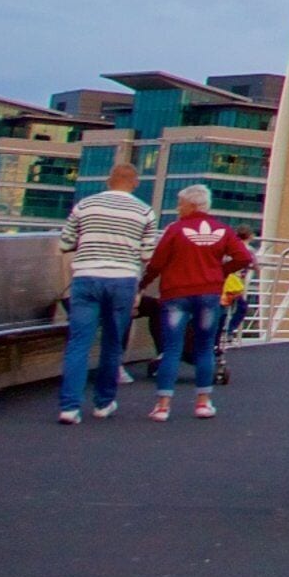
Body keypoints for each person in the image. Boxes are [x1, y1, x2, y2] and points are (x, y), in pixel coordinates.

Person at [55, 159, 159, 423]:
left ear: (108, 180)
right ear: (135, 183)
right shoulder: (144, 211)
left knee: (79, 342)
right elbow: (147, 253)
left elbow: (65, 242)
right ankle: (104, 403)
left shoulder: (85, 205)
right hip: (122, 279)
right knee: (113, 343)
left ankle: (69, 407)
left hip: (87, 277)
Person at [139, 187, 254, 420]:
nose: (178, 208)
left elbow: (157, 262)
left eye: (180, 204)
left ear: (191, 206)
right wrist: (220, 271)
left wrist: (142, 284)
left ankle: (163, 405)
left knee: (171, 348)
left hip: (175, 294)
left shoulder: (175, 230)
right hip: (209, 294)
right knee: (204, 348)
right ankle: (203, 402)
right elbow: (244, 257)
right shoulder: (223, 230)